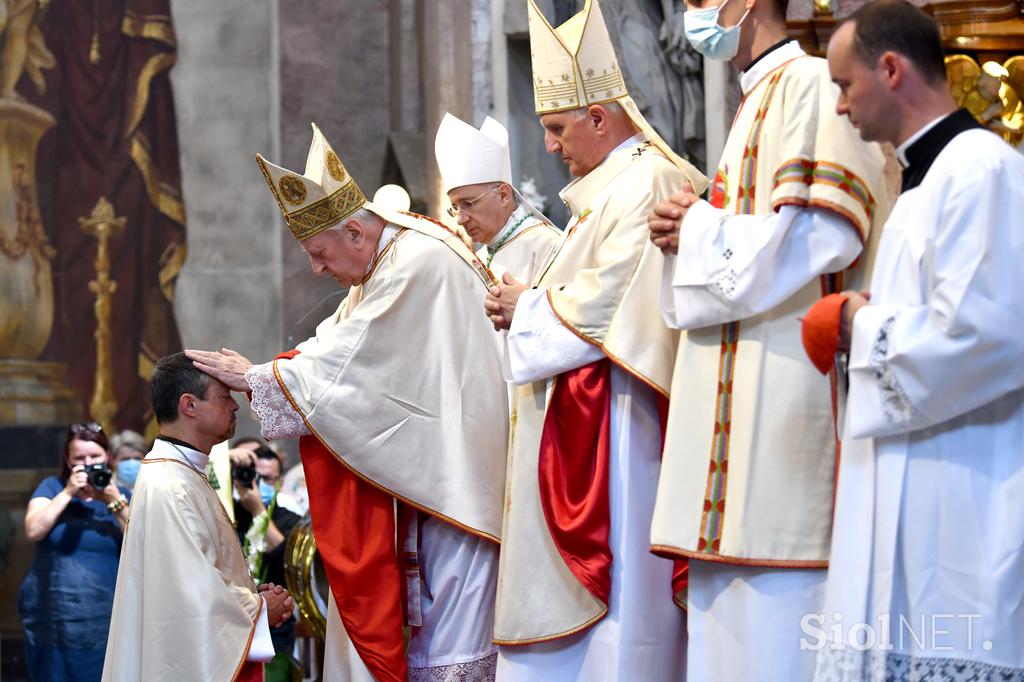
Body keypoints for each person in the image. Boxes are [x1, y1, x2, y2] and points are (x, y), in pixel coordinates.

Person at [187, 123, 509, 681]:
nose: (317, 268)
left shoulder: (413, 264)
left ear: (356, 233)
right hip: (438, 481)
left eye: (318, 252)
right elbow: (328, 350)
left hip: (460, 486)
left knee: (457, 648)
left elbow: (348, 372)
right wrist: (266, 374)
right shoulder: (383, 264)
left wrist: (257, 377)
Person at [644, 0, 893, 678]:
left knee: (782, 643)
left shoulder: (812, 83)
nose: (689, 13)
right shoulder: (754, 99)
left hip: (785, 410)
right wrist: (687, 232)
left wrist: (694, 229)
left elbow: (826, 232)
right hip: (732, 430)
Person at [482, 1, 705, 678]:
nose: (549, 144)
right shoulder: (602, 194)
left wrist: (527, 306)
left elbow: (610, 302)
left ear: (600, 119)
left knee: (624, 623)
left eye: (556, 128)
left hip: (623, 426)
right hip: (588, 415)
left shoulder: (648, 182)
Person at [801, 2, 1024, 678]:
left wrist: (855, 325)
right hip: (909, 483)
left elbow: (990, 335)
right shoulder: (921, 183)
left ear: (891, 69)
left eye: (845, 85)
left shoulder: (980, 168)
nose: (841, 107)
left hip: (962, 496)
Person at [102, 352, 294, 681]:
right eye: (224, 398)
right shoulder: (169, 484)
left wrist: (254, 597)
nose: (235, 406)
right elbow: (189, 600)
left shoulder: (184, 473)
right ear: (189, 405)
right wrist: (260, 610)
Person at [18, 422, 130, 682]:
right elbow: (33, 530)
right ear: (68, 460)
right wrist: (69, 492)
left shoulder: (121, 495)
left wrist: (113, 500)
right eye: (80, 458)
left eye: (95, 456)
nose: (88, 463)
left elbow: (143, 542)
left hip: (108, 617)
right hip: (56, 618)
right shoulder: (52, 487)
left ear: (107, 457)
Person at [434, 112, 561, 280]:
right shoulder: (479, 259)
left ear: (503, 195)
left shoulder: (546, 245)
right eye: (456, 208)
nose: (460, 219)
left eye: (468, 204)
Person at [233, 445, 302, 682]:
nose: (262, 484)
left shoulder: (290, 519)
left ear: (280, 482)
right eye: (257, 477)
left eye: (270, 479)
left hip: (277, 628)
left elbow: (288, 560)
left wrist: (258, 510)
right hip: (236, 625)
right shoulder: (228, 516)